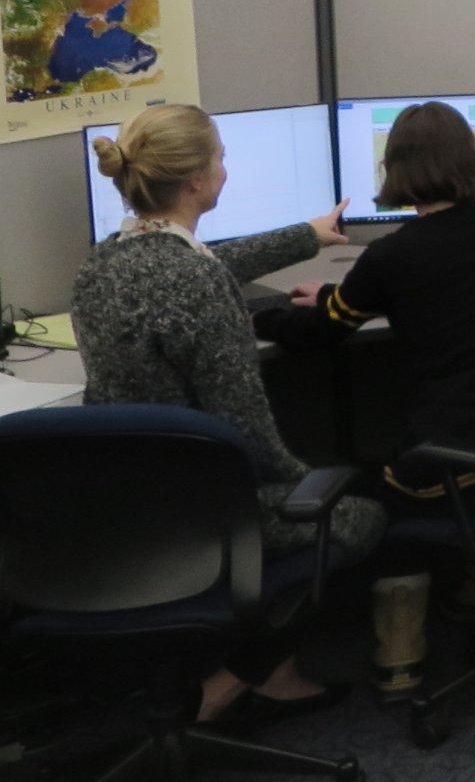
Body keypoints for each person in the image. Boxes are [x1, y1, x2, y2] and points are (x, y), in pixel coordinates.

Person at [73, 104, 387, 725]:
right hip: (204, 517)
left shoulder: (99, 266)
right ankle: (240, 677)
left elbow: (197, 263)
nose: (225, 165)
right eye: (219, 154)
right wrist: (311, 481)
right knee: (359, 514)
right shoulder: (199, 285)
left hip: (115, 512)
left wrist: (308, 233)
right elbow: (252, 441)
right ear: (196, 180)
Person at [256, 101, 475, 698]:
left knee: (381, 489)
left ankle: (400, 655)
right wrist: (352, 293)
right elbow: (441, 292)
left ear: (395, 169)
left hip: (453, 462)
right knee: (433, 447)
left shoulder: (394, 255)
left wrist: (269, 315)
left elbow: (321, 333)